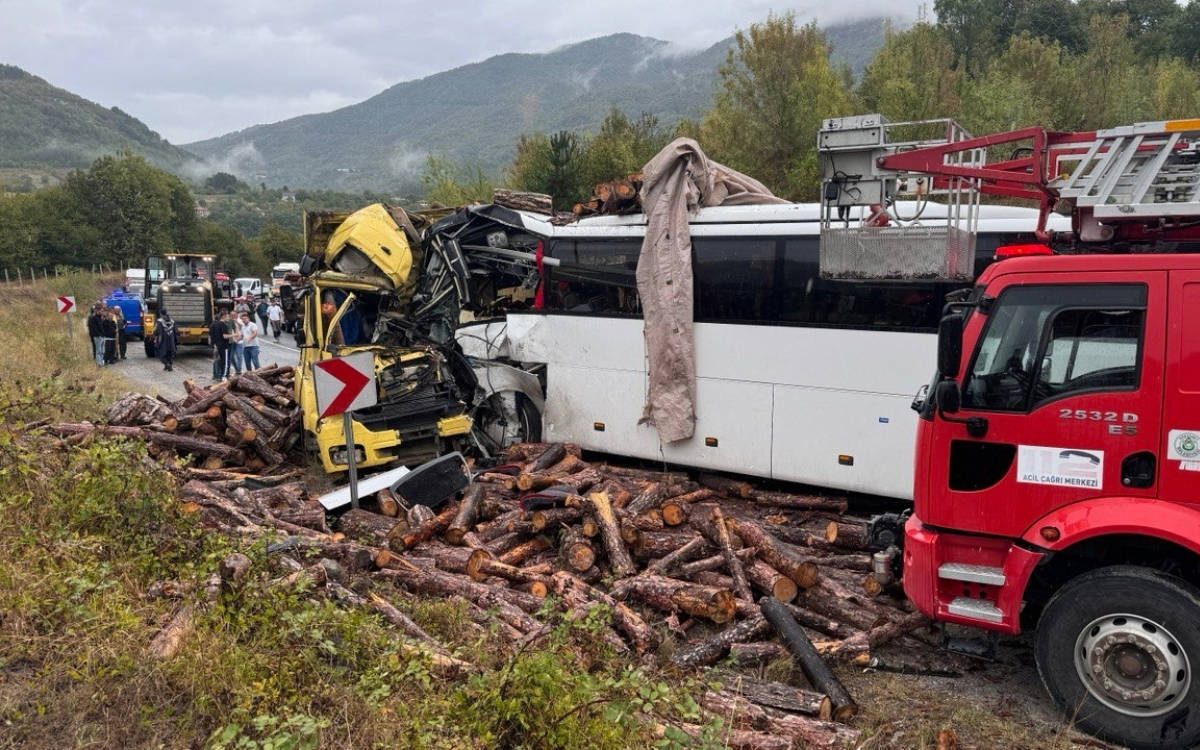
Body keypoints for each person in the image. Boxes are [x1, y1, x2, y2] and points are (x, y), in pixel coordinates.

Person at [210, 312, 230, 381]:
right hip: (223, 346)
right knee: (224, 361)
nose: (228, 318)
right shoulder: (223, 325)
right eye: (227, 316)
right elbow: (225, 336)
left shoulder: (213, 325)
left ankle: (215, 375)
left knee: (216, 361)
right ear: (223, 316)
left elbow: (211, 336)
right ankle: (223, 376)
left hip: (216, 345)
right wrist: (235, 335)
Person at [226, 312, 244, 376]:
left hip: (239, 342)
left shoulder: (240, 320)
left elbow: (243, 327)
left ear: (236, 315)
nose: (233, 316)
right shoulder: (229, 321)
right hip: (232, 341)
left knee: (239, 356)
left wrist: (236, 321)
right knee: (231, 357)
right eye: (231, 315)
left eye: (234, 315)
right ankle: (237, 369)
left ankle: (239, 369)